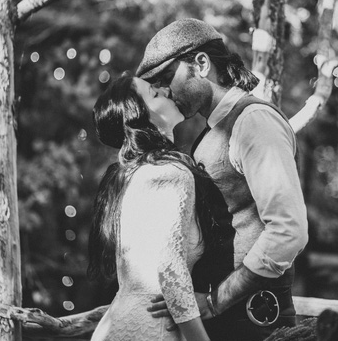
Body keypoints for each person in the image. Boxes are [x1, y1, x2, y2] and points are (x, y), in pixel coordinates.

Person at [137, 18, 309, 340]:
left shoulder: (254, 121)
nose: (162, 91)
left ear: (201, 64)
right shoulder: (210, 132)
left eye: (166, 77)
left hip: (255, 321)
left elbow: (289, 231)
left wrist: (216, 301)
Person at [89, 75, 235, 341]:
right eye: (154, 93)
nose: (166, 89)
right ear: (141, 118)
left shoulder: (130, 176)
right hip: (153, 330)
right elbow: (170, 268)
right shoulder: (170, 173)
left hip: (119, 324)